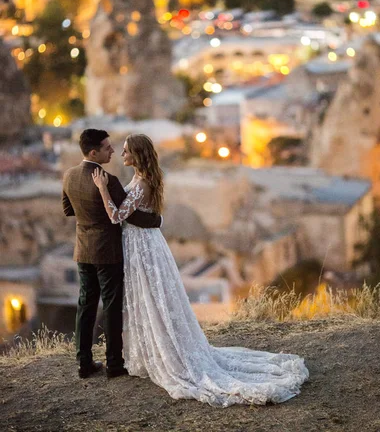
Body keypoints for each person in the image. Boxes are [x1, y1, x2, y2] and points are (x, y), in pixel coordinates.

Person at [92, 133, 309, 407]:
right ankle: (155, 351)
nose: (122, 155)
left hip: (143, 247)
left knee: (153, 297)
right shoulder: (141, 179)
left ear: (137, 154)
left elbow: (116, 216)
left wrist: (101, 187)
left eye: (125, 151)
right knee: (147, 298)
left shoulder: (142, 182)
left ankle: (169, 354)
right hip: (141, 244)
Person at [62, 129, 162, 380]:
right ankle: (114, 364)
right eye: (107, 148)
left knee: (85, 305)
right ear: (94, 152)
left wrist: (89, 216)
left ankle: (84, 363)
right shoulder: (110, 180)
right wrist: (157, 220)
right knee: (112, 306)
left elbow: (67, 209)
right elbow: (128, 216)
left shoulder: (69, 176)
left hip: (83, 249)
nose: (113, 151)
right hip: (107, 252)